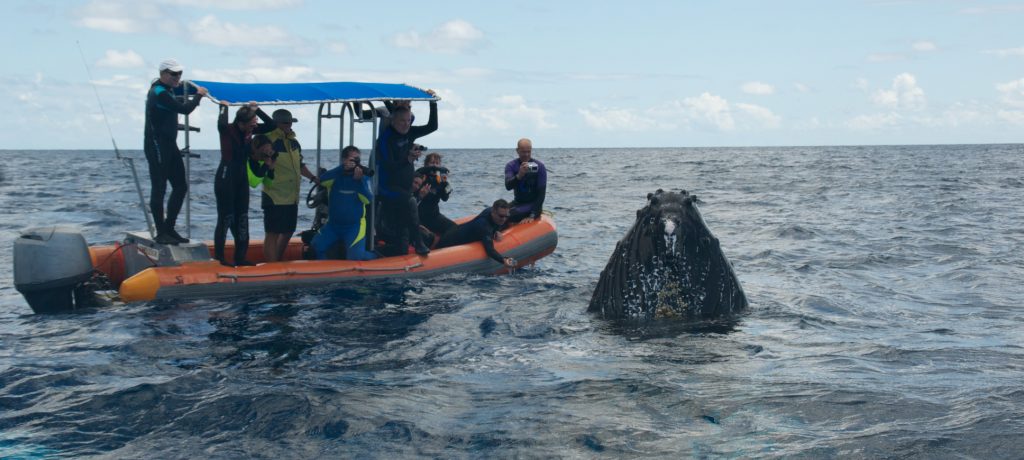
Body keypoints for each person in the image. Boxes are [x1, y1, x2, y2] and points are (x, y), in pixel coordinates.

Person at [144, 58, 208, 244]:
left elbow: (175, 104)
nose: (177, 77)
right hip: (156, 145)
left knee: (181, 186)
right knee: (160, 188)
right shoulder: (158, 92)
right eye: (173, 74)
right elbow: (185, 109)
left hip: (170, 145)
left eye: (179, 73)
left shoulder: (167, 91)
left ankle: (169, 227)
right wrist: (199, 95)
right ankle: (161, 232)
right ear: (163, 74)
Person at [375, 91, 438, 256]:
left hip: (404, 189)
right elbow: (388, 166)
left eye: (408, 121)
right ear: (393, 121)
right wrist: (408, 159)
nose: (405, 124)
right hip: (388, 188)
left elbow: (433, 126)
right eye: (402, 121)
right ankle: (419, 242)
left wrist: (433, 103)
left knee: (401, 248)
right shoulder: (385, 139)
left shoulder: (411, 132)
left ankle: (377, 252)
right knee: (410, 201)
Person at [213, 101, 275, 266]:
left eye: (254, 124)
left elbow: (271, 125)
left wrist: (257, 110)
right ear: (241, 123)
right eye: (250, 124)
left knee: (242, 218)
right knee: (226, 218)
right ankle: (219, 258)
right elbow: (220, 122)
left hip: (240, 179)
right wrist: (224, 106)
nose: (252, 128)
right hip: (226, 178)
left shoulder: (250, 130)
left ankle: (240, 258)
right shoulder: (227, 130)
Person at [260, 109, 319, 262]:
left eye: (291, 122)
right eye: (285, 122)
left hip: (291, 195)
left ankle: (277, 260)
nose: (289, 125)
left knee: (288, 230)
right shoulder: (266, 140)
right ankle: (271, 264)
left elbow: (300, 165)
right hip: (274, 194)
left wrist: (313, 178)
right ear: (276, 123)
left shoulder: (294, 143)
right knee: (272, 232)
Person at [310, 146, 377, 260]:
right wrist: (342, 168)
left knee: (355, 257)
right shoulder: (336, 176)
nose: (355, 163)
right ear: (344, 160)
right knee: (315, 247)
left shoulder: (363, 178)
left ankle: (376, 257)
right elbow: (322, 180)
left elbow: (368, 199)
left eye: (357, 160)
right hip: (333, 225)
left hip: (354, 226)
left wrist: (358, 181)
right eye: (352, 160)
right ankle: (326, 271)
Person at [436, 199, 517, 268]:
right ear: (493, 212)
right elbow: (489, 250)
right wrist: (504, 260)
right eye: (501, 216)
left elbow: (498, 223)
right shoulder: (483, 225)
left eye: (506, 216)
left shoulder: (491, 213)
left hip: (457, 230)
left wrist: (496, 230)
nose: (504, 219)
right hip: (449, 240)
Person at [414, 149, 456, 237]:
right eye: (432, 163)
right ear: (426, 164)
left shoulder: (440, 181)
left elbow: (445, 199)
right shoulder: (420, 176)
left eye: (437, 163)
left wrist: (445, 184)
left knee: (455, 229)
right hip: (419, 217)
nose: (435, 166)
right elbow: (418, 172)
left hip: (434, 216)